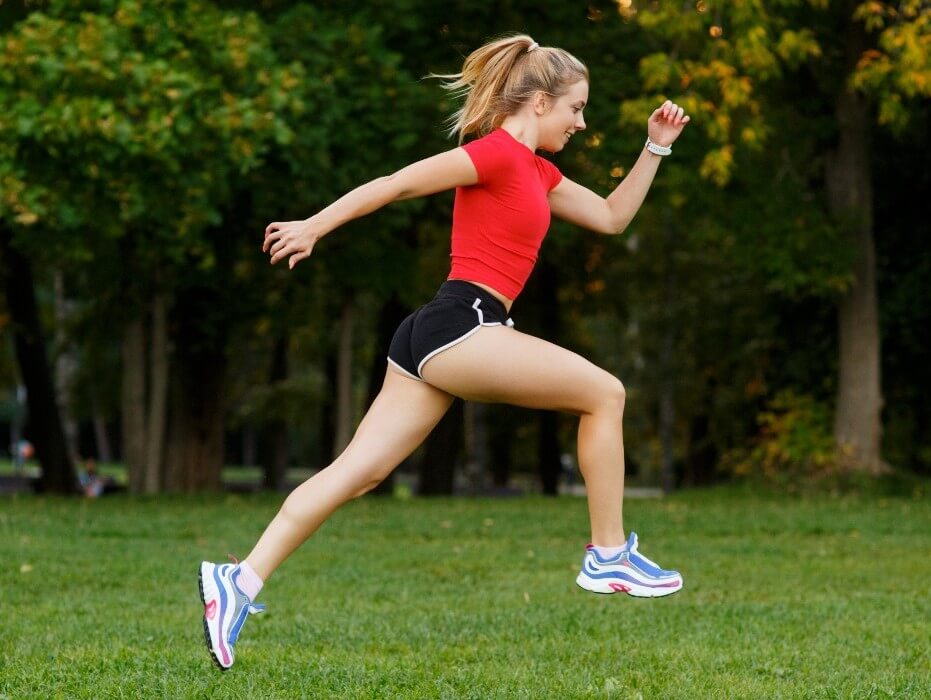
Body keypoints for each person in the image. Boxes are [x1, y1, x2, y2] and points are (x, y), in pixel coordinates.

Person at [198, 34, 690, 671]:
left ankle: (238, 582)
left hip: (441, 331)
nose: (582, 121)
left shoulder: (540, 173)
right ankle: (608, 555)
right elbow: (396, 184)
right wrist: (313, 226)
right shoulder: (492, 155)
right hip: (463, 324)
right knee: (606, 393)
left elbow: (612, 218)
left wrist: (655, 147)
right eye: (576, 108)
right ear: (540, 102)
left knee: (359, 473)